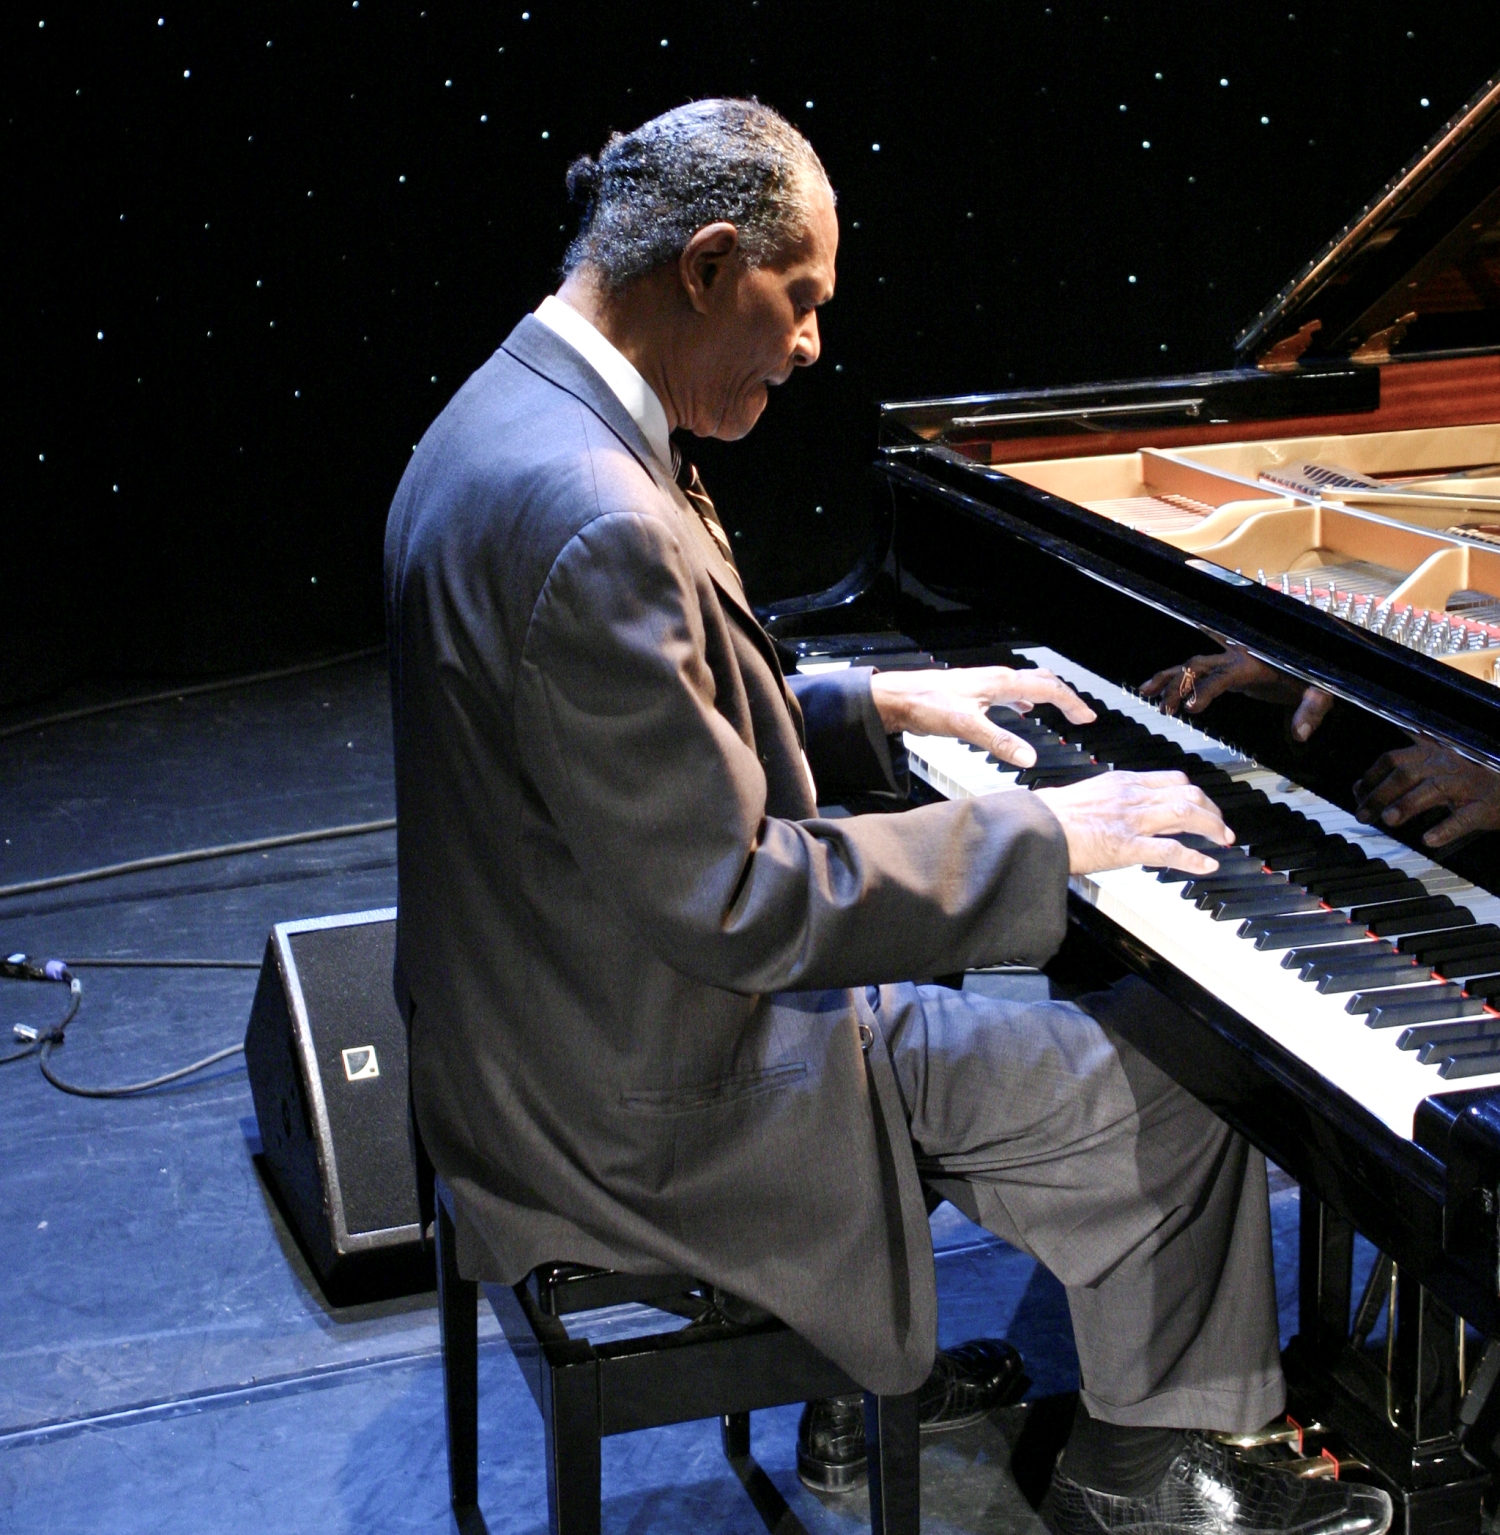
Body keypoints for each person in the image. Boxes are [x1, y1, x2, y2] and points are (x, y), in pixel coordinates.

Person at [385, 99, 1391, 1535]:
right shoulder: (593, 508)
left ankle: (871, 1406)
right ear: (709, 264)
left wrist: (876, 709)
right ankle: (1160, 1460)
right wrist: (1049, 835)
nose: (810, 347)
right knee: (1204, 1080)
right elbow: (739, 899)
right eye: (798, 304)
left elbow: (620, 750)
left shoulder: (505, 413)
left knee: (989, 990)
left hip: (540, 1038)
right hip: (652, 1099)